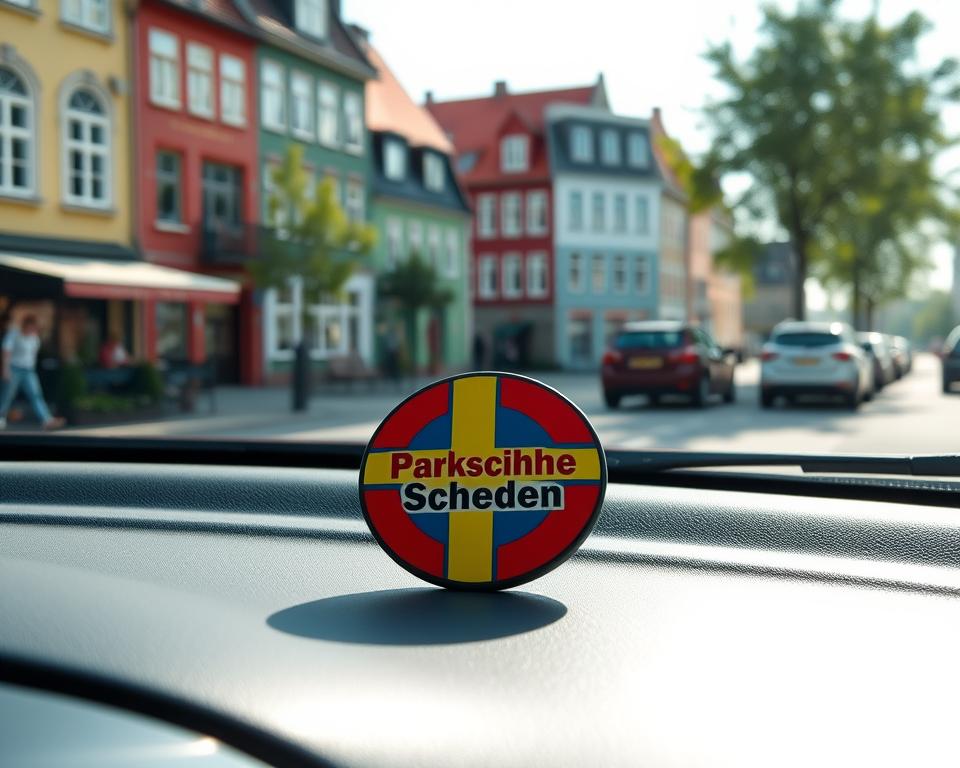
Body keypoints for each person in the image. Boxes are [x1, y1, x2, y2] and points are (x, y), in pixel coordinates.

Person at [0, 315, 65, 430]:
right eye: (32, 326)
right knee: (7, 395)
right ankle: (1, 417)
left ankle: (46, 420)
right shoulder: (14, 335)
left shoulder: (34, 338)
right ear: (25, 325)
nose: (33, 329)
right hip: (14, 368)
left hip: (28, 370)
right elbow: (6, 352)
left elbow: (32, 355)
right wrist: (5, 369)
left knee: (36, 394)